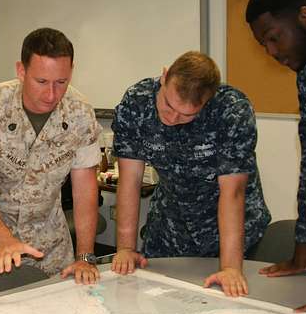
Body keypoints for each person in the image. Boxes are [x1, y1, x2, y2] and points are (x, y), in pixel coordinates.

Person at [0, 27, 102, 285]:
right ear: (21, 71)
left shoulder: (80, 114)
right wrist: (3, 238)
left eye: (61, 82)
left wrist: (85, 256)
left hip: (48, 248)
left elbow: (84, 188)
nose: (51, 94)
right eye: (41, 82)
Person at [110, 51, 271, 297]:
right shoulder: (137, 102)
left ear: (208, 100)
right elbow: (130, 180)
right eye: (168, 105)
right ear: (164, 77)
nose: (173, 118)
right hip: (170, 228)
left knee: (228, 312)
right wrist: (125, 248)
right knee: (161, 306)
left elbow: (233, 193)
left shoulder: (231, 111)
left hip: (231, 235)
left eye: (187, 114)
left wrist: (229, 267)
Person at [246, 0, 306, 314]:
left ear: (305, 16)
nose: (273, 53)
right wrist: (304, 244)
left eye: (274, 38)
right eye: (264, 44)